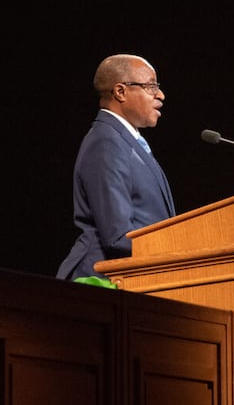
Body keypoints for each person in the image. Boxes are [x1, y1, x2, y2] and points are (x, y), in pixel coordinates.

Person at [57, 54, 176, 281]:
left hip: (135, 279)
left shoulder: (126, 141)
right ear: (120, 92)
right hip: (102, 283)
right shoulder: (106, 142)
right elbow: (118, 236)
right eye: (151, 86)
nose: (160, 95)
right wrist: (177, 252)